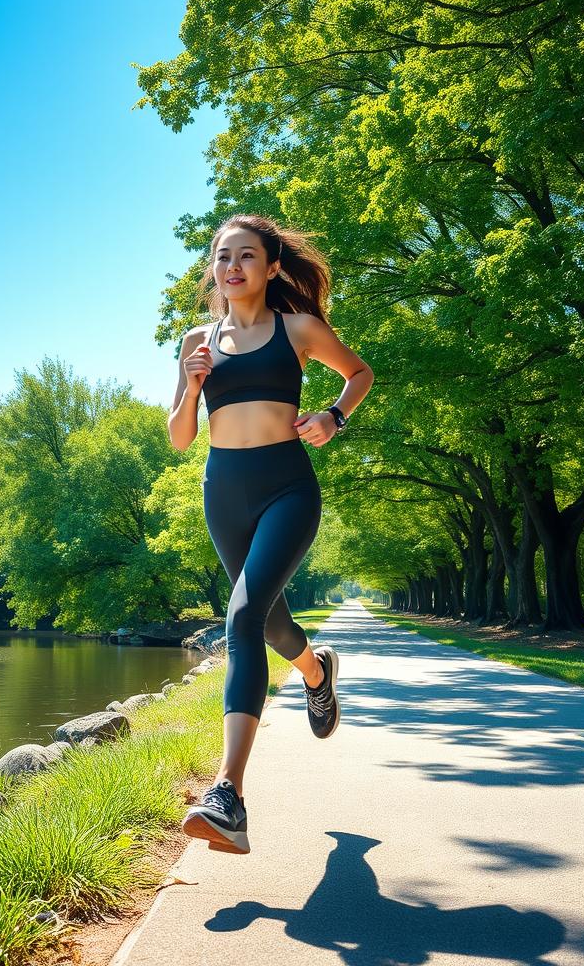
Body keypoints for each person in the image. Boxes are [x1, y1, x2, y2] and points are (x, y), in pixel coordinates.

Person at [166, 214, 375, 854]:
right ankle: (316, 672)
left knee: (242, 619)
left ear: (272, 266)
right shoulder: (197, 340)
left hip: (287, 487)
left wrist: (335, 416)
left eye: (247, 255)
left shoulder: (300, 329)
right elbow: (179, 436)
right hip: (222, 492)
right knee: (271, 622)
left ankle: (227, 795)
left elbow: (360, 373)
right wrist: (192, 384)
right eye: (222, 256)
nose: (232, 266)